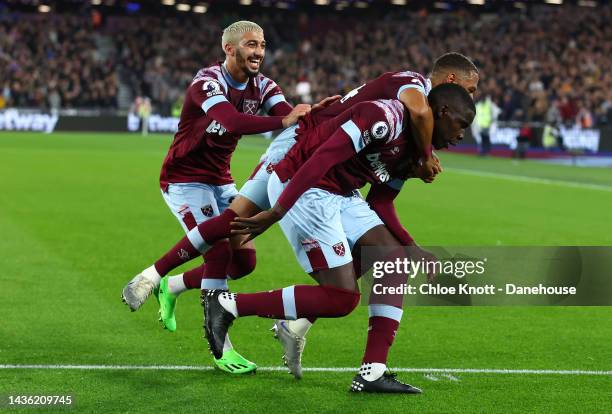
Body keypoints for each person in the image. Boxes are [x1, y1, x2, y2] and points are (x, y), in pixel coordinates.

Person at [204, 83, 476, 393]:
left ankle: (372, 372)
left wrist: (413, 248)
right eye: (461, 124)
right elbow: (319, 159)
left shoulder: (415, 149)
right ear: (441, 113)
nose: (462, 134)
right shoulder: (383, 118)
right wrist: (277, 211)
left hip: (341, 192)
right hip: (302, 184)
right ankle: (228, 304)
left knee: (395, 260)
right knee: (343, 298)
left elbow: (381, 202)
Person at [121, 20, 316, 374]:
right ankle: (220, 348)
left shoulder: (264, 85)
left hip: (221, 180)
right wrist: (286, 121)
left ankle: (172, 284)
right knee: (220, 250)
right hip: (184, 179)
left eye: (262, 45)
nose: (258, 51)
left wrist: (307, 119)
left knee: (244, 262)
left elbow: (288, 115)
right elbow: (233, 121)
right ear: (230, 49)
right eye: (251, 45)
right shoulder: (207, 82)